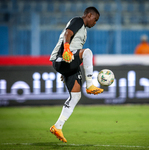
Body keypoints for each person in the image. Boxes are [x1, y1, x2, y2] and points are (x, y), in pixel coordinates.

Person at [49, 7, 104, 143]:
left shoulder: (84, 31)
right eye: (95, 20)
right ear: (89, 15)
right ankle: (90, 84)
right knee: (87, 52)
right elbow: (67, 33)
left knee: (76, 96)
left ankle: (58, 126)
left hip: (68, 63)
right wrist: (66, 49)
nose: (95, 23)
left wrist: (66, 70)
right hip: (62, 58)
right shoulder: (78, 21)